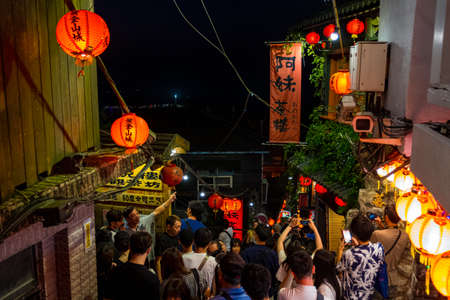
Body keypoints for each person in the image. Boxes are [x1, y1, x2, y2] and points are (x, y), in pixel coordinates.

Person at [371, 205, 414, 300]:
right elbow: (392, 237)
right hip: (397, 278)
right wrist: (382, 226)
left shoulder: (376, 234)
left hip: (380, 279)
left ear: (386, 217)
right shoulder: (405, 236)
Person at [337, 214, 384, 300]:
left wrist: (340, 249)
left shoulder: (348, 254)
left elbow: (340, 272)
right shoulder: (379, 249)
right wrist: (357, 244)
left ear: (354, 235)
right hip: (369, 295)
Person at [104, 232, 160, 300]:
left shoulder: (115, 272)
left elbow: (107, 298)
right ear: (148, 250)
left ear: (129, 247)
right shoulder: (152, 279)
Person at [123, 192, 176, 261]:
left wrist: (169, 200)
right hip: (136, 260)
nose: (137, 216)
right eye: (133, 216)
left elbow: (157, 211)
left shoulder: (144, 220)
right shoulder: (126, 232)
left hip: (150, 257)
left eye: (137, 213)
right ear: (127, 219)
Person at [276, 217, 323, 289]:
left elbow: (280, 242)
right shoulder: (307, 262)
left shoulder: (285, 262)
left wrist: (290, 226)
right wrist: (314, 229)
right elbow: (319, 248)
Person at [241, 224, 279, 297]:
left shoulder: (246, 253)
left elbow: (242, 274)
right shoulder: (273, 254)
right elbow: (276, 275)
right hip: (267, 294)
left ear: (255, 235)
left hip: (249, 294)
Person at [183, 227, 217, 293]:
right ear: (209, 244)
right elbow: (214, 286)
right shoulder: (213, 261)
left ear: (194, 241)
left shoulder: (183, 258)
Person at [156, 215, 182, 281]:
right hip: (165, 273)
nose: (179, 229)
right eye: (177, 227)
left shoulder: (179, 238)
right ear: (168, 227)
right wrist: (160, 279)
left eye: (180, 227)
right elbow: (158, 260)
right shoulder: (162, 239)